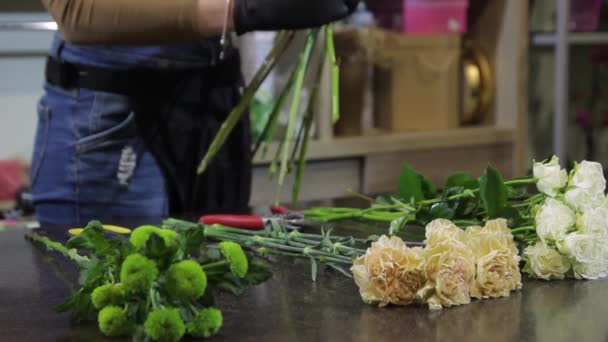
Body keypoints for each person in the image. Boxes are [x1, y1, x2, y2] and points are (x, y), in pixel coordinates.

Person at [33, 0, 359, 226]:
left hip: (212, 98)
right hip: (115, 117)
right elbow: (77, 10)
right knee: (113, 301)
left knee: (217, 304)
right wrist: (244, 9)